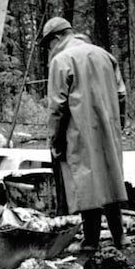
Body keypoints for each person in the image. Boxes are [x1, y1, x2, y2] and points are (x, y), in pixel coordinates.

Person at [38, 17, 128, 251]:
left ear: (56, 38)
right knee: (110, 178)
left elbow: (57, 106)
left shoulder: (61, 59)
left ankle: (91, 241)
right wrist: (119, 124)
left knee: (87, 181)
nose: (49, 50)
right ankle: (120, 237)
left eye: (48, 44)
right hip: (109, 128)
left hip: (78, 129)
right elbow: (121, 94)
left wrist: (55, 139)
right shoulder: (104, 55)